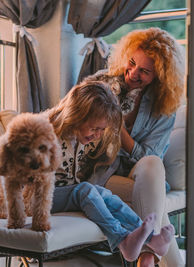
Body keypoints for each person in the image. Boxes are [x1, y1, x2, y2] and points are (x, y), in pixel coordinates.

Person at [85, 28, 185, 267]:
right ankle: (148, 258)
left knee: (152, 164)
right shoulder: (102, 82)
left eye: (144, 71)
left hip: (139, 173)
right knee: (155, 200)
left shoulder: (164, 106)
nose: (132, 73)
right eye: (131, 63)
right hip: (102, 173)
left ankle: (146, 256)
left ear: (160, 75)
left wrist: (119, 130)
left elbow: (150, 156)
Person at [46, 80, 175, 262]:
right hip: (36, 198)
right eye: (95, 129)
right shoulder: (47, 135)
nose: (97, 135)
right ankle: (122, 240)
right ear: (77, 115)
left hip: (63, 193)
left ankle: (149, 239)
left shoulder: (80, 136)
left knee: (104, 194)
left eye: (102, 130)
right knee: (85, 190)